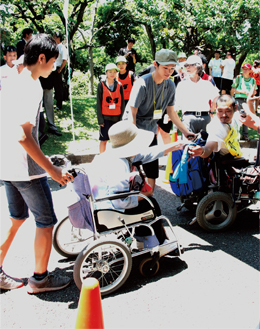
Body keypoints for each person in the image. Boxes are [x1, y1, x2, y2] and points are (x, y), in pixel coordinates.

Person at [0, 33, 74, 293]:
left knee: (17, 219)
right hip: (25, 168)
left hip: (7, 164)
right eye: (52, 62)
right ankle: (39, 279)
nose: (54, 67)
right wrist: (51, 169)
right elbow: (24, 135)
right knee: (46, 221)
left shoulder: (15, 79)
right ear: (41, 58)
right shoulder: (31, 85)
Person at [90, 120, 184, 245]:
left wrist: (176, 145)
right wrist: (144, 195)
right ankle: (157, 242)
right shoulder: (119, 166)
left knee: (146, 202)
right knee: (150, 205)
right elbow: (120, 201)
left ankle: (147, 238)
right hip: (110, 210)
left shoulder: (112, 156)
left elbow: (147, 154)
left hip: (99, 204)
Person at [129, 49, 195, 193]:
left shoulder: (170, 85)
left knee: (152, 166)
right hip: (132, 129)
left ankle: (149, 195)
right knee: (130, 167)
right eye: (165, 68)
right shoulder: (142, 83)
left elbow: (171, 112)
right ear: (155, 65)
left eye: (172, 68)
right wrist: (133, 138)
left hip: (150, 129)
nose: (169, 72)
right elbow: (131, 113)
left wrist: (186, 132)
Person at [188, 95, 243, 160]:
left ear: (235, 108)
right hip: (225, 164)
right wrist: (201, 151)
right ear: (216, 108)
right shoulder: (216, 127)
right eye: (220, 111)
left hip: (237, 156)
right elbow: (208, 149)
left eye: (228, 111)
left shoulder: (236, 118)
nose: (224, 115)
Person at [175, 55, 219, 135]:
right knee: (188, 145)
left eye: (190, 65)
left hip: (205, 118)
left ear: (198, 67)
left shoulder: (207, 84)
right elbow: (176, 104)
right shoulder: (182, 85)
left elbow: (216, 97)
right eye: (186, 65)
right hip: (188, 118)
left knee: (206, 146)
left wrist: (212, 112)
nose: (187, 67)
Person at [97, 63, 125, 153]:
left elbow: (122, 103)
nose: (112, 74)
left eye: (114, 72)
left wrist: (122, 118)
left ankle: (116, 159)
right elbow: (98, 102)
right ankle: (102, 158)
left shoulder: (119, 85)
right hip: (105, 118)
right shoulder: (101, 85)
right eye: (110, 72)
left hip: (116, 118)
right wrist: (100, 119)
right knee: (104, 140)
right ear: (106, 73)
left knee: (117, 141)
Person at [231, 63, 257, 141]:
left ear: (250, 70)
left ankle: (245, 135)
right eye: (243, 69)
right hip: (239, 99)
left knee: (247, 116)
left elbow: (255, 91)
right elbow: (232, 90)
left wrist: (251, 93)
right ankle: (235, 135)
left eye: (246, 69)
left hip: (248, 101)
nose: (244, 70)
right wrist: (242, 92)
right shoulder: (238, 78)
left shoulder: (252, 80)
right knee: (237, 116)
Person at [53, 31, 68, 110]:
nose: (53, 38)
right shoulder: (53, 46)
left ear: (58, 38)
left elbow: (64, 60)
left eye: (54, 37)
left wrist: (60, 69)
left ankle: (59, 104)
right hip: (51, 68)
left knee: (58, 87)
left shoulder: (62, 48)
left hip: (57, 68)